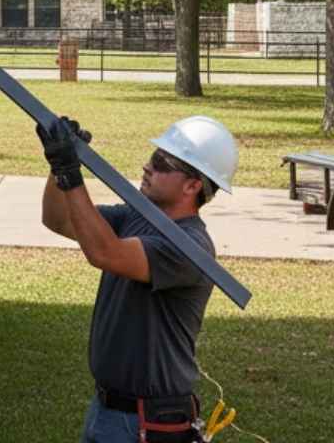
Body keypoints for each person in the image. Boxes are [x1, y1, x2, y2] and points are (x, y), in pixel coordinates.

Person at [38, 114, 239, 443]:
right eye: (153, 156)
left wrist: (70, 172)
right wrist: (57, 168)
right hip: (106, 411)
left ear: (193, 185)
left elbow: (105, 253)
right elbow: (57, 219)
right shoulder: (136, 216)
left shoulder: (189, 248)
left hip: (145, 423)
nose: (148, 166)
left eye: (162, 162)